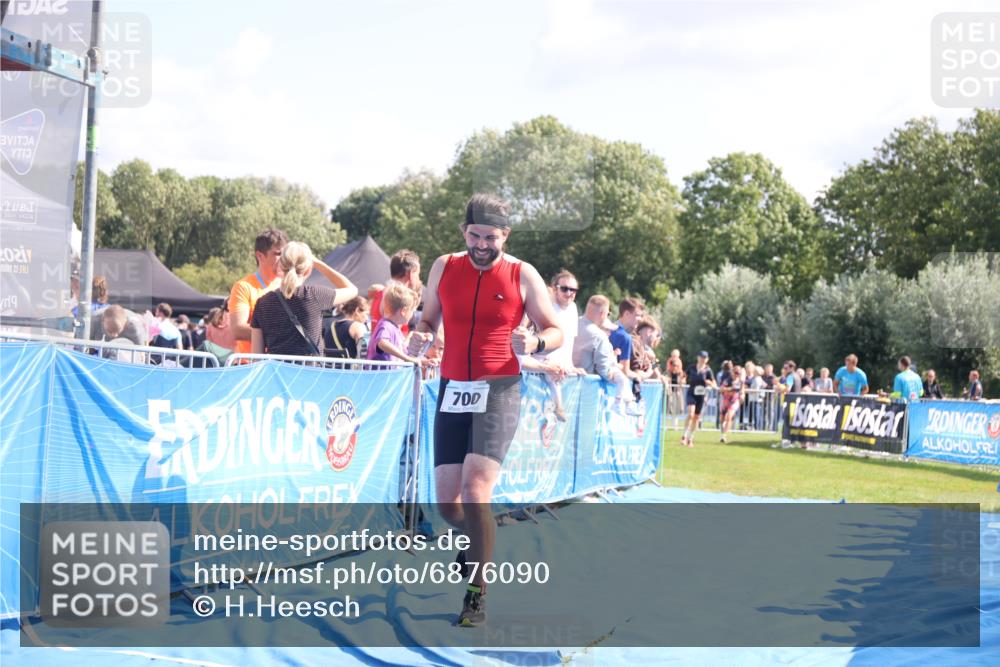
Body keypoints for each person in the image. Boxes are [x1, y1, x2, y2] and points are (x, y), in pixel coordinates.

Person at [409, 193, 562, 627]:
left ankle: (476, 594)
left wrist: (534, 342)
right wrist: (421, 334)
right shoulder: (444, 266)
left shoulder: (521, 273)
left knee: (477, 492)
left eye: (490, 238)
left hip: (499, 389)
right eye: (474, 235)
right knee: (448, 505)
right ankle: (475, 539)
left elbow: (554, 331)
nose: (481, 245)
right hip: (453, 387)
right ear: (463, 232)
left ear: (505, 236)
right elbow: (428, 319)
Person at [250, 242, 357, 356]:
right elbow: (352, 290)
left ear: (281, 266)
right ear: (308, 270)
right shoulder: (314, 295)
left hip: (277, 372)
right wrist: (320, 264)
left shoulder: (262, 303)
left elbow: (257, 355)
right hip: (309, 372)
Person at [229, 228, 288, 355]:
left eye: (285, 254)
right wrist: (279, 334)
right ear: (260, 256)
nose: (283, 259)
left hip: (280, 365)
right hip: (249, 365)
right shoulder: (243, 287)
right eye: (278, 254)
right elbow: (237, 329)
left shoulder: (288, 284)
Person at [573, 295, 631, 409]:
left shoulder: (573, 323)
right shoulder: (599, 336)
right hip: (587, 390)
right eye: (608, 313)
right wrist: (615, 377)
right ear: (602, 313)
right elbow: (603, 369)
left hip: (566, 384)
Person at [370, 250, 421, 335]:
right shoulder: (398, 298)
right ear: (410, 274)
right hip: (391, 346)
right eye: (418, 274)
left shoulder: (381, 293)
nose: (418, 278)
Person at [681, 351, 715, 447]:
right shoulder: (691, 367)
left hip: (701, 395)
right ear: (698, 357)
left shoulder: (708, 370)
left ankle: (690, 438)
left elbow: (714, 383)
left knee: (696, 417)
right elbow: (683, 376)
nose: (703, 359)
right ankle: (684, 436)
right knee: (691, 414)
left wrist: (709, 383)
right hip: (691, 393)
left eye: (705, 357)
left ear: (707, 359)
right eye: (701, 357)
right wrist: (682, 380)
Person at [718, 361, 743, 443]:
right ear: (732, 372)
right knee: (722, 418)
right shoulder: (727, 379)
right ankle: (722, 432)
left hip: (734, 401)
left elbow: (742, 389)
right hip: (725, 400)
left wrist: (742, 395)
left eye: (738, 373)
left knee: (729, 416)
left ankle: (724, 436)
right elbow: (721, 388)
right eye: (735, 373)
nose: (737, 375)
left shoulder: (741, 381)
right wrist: (730, 389)